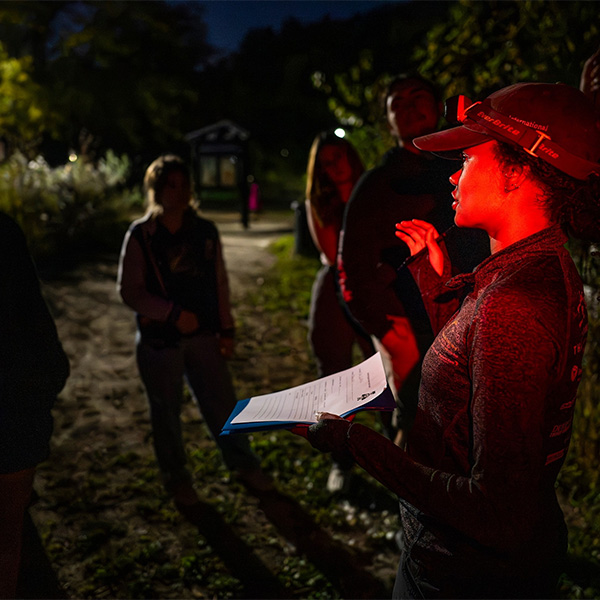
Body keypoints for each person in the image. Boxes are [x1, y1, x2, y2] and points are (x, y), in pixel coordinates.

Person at [302, 82, 600, 598]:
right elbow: (476, 376)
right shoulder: (533, 269)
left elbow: (497, 510)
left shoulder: (514, 304)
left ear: (520, 169)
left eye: (465, 157)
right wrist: (435, 283)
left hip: (462, 576)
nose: (453, 174)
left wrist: (350, 440)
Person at [337, 74, 489, 444]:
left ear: (439, 106)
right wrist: (390, 332)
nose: (407, 107)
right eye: (396, 103)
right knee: (416, 417)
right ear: (388, 121)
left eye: (417, 97)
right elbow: (351, 267)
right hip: (412, 319)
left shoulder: (467, 164)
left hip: (469, 315)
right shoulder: (379, 183)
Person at [117, 154, 271, 506]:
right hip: (160, 341)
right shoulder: (141, 235)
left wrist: (226, 329)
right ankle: (176, 478)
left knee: (222, 404)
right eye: (171, 184)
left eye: (184, 183)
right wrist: (171, 314)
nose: (180, 191)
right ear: (156, 189)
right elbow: (129, 291)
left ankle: (244, 464)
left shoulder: (204, 231)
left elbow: (219, 282)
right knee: (166, 412)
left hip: (202, 335)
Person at [0, 213, 69, 597]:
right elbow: (34, 325)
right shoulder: (4, 232)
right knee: (7, 542)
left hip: (13, 412)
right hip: (11, 412)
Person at [305, 131, 374, 492]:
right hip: (338, 283)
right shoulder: (319, 200)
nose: (333, 166)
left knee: (386, 372)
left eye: (338, 157)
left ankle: (398, 454)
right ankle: (341, 461)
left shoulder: (374, 188)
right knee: (332, 373)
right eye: (325, 162)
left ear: (350, 155)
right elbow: (334, 255)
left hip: (374, 282)